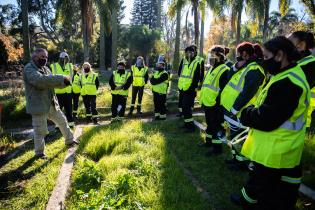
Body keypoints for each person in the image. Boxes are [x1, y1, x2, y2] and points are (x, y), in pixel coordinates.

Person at [230, 36, 309, 210]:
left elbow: (266, 119)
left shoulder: (288, 82)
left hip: (274, 150)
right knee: (268, 185)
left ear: (280, 55)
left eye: (266, 57)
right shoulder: (287, 74)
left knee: (263, 188)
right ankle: (249, 200)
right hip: (281, 146)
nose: (263, 61)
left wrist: (246, 113)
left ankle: (248, 203)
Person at [23, 48, 78, 158]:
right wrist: (61, 78)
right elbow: (40, 81)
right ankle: (39, 153)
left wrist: (64, 83)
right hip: (38, 105)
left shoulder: (46, 69)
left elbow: (52, 82)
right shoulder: (29, 69)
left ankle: (70, 140)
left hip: (51, 103)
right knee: (40, 130)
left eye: (46, 57)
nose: (44, 59)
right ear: (34, 57)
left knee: (62, 121)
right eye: (42, 57)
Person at [220, 42, 266, 170]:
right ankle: (236, 159)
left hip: (239, 112)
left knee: (240, 138)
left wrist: (234, 110)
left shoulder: (255, 70)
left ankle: (241, 164)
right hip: (232, 110)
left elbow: (247, 93)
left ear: (244, 54)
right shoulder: (246, 67)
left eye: (238, 54)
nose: (237, 56)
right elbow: (227, 78)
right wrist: (235, 67)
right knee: (234, 137)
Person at [199, 46, 230, 155]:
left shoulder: (224, 70)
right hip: (208, 102)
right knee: (209, 124)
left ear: (220, 56)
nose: (210, 57)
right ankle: (209, 142)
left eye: (212, 55)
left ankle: (217, 149)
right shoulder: (212, 68)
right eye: (210, 55)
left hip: (216, 105)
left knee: (217, 126)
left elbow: (224, 90)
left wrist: (219, 104)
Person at [288, 31, 315, 132]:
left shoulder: (310, 65)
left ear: (301, 46)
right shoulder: (297, 62)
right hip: (289, 120)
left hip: (296, 121)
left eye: (289, 42)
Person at [178, 45, 202, 132]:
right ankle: (187, 124)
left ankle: (191, 127)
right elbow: (180, 74)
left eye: (190, 52)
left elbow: (196, 78)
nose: (188, 54)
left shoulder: (196, 63)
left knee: (186, 108)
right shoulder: (184, 62)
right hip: (183, 88)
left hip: (190, 90)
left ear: (193, 53)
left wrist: (191, 88)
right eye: (187, 52)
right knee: (184, 108)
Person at [50, 52, 75, 127]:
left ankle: (71, 124)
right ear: (60, 59)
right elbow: (51, 79)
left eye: (67, 59)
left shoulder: (70, 66)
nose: (66, 61)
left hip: (68, 92)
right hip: (58, 92)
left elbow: (71, 77)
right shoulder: (53, 66)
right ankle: (58, 126)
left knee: (69, 109)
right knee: (57, 111)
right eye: (64, 59)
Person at [150, 55, 169, 120]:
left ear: (163, 65)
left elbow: (156, 81)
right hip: (155, 92)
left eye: (159, 65)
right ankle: (157, 116)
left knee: (162, 105)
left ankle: (163, 117)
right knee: (156, 105)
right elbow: (152, 81)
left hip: (161, 92)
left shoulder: (165, 73)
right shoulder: (156, 72)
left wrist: (154, 80)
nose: (158, 65)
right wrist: (154, 80)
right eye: (158, 64)